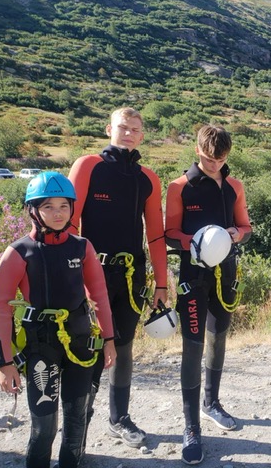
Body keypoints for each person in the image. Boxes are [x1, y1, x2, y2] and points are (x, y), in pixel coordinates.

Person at [0, 172, 116, 468]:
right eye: (48, 206)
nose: (58, 213)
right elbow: (1, 308)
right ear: (33, 210)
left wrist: (109, 341)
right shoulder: (19, 252)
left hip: (80, 344)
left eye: (64, 205)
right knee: (43, 427)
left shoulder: (82, 247)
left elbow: (99, 296)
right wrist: (4, 362)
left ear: (73, 208)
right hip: (41, 346)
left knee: (77, 421)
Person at [68, 107, 167, 449]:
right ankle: (78, 427)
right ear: (109, 128)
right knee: (89, 347)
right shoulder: (88, 166)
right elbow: (69, 224)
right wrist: (71, 274)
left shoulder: (148, 178)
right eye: (123, 127)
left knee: (123, 348)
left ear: (142, 135)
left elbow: (155, 235)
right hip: (91, 274)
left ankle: (119, 418)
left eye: (135, 129)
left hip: (130, 276)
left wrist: (162, 284)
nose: (128, 133)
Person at [165, 124, 251, 465]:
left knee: (219, 337)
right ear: (197, 151)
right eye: (207, 158)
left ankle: (212, 403)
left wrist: (234, 233)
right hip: (193, 275)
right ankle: (191, 427)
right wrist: (197, 242)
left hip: (226, 273)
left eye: (220, 159)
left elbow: (245, 228)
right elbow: (169, 233)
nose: (213, 164)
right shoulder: (180, 187)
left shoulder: (234, 186)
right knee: (193, 344)